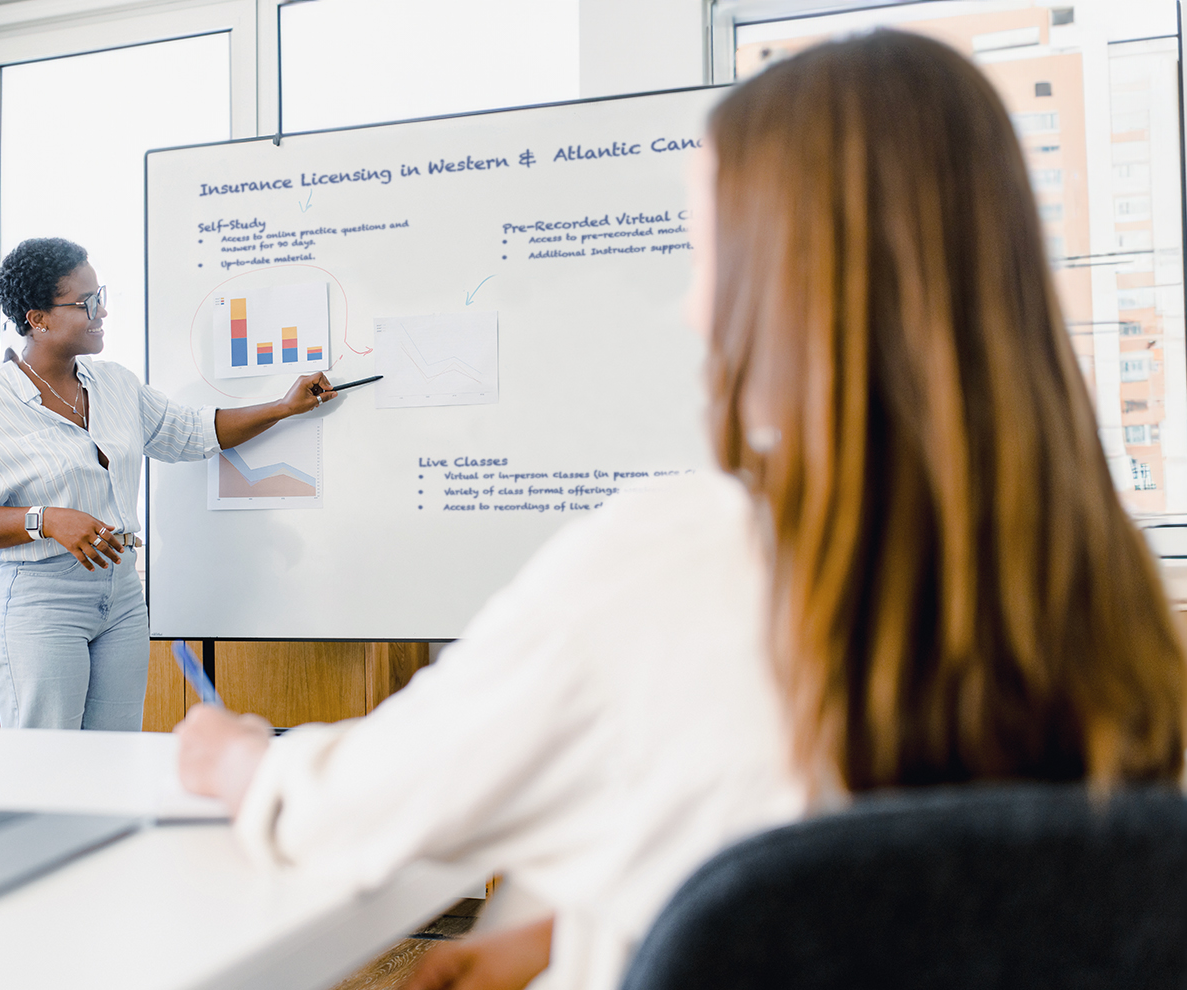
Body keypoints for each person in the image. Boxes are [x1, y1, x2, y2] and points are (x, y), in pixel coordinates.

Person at [177, 30, 1186, 990]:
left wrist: (245, 763)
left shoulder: (673, 558)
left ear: (785, 286)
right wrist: (581, 925)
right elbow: (915, 882)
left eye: (710, 260)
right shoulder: (1111, 604)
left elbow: (356, 808)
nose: (692, 310)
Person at [0, 237, 335, 730]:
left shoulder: (115, 385)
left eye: (101, 295)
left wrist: (282, 406)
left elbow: (193, 432)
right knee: (47, 768)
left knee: (115, 759)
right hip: (41, 600)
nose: (102, 311)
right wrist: (46, 520)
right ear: (38, 319)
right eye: (87, 303)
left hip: (120, 595)